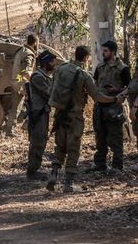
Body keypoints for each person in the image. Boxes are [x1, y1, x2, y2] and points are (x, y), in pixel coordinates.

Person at [47, 46, 120, 193]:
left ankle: (54, 173)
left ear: (75, 55)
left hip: (59, 114)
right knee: (73, 148)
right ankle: (68, 183)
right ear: (86, 58)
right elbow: (98, 96)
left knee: (60, 145)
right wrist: (114, 98)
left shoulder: (60, 69)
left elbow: (51, 90)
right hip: (75, 116)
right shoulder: (84, 75)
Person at [90, 40, 130, 174]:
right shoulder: (100, 67)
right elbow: (95, 83)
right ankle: (100, 163)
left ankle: (117, 166)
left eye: (106, 51)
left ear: (113, 52)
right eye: (103, 50)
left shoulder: (122, 68)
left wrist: (117, 91)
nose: (103, 53)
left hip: (114, 107)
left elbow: (129, 88)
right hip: (99, 107)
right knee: (100, 136)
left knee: (115, 137)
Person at [25, 50, 57, 180]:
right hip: (38, 114)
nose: (53, 64)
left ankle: (34, 169)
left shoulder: (44, 75)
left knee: (41, 140)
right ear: (45, 63)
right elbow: (49, 94)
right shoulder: (38, 77)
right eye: (51, 62)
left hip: (43, 113)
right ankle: (32, 171)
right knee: (38, 142)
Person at [5, 34, 38, 136]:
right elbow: (26, 71)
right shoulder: (29, 54)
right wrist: (35, 83)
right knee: (32, 104)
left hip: (16, 81)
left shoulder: (21, 51)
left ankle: (12, 127)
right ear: (35, 43)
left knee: (17, 106)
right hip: (22, 83)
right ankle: (12, 129)